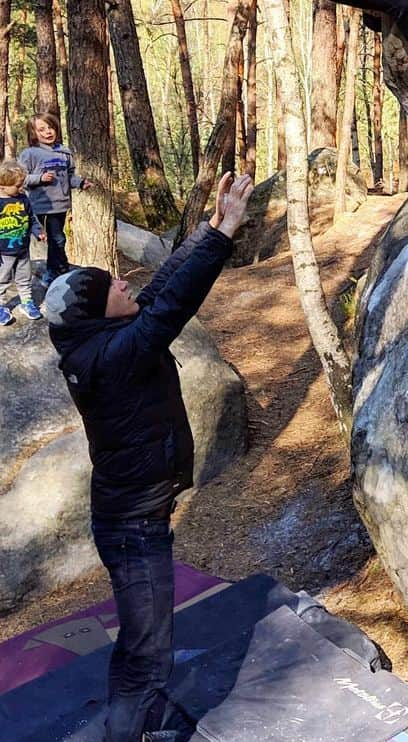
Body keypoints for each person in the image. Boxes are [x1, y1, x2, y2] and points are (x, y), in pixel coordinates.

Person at [44, 172, 255, 742]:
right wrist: (224, 236)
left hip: (135, 516)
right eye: (109, 284)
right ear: (94, 310)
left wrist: (209, 229)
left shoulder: (97, 340)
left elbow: (159, 287)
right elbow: (171, 307)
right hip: (132, 526)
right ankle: (126, 731)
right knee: (147, 651)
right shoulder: (112, 357)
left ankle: (136, 718)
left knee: (145, 643)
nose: (121, 282)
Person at [19, 111, 90, 285]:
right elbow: (19, 178)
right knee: (42, 239)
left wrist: (81, 183)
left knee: (58, 239)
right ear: (33, 133)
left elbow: (69, 176)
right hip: (38, 207)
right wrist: (39, 179)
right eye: (42, 129)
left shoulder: (64, 152)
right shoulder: (30, 154)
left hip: (60, 206)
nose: (48, 132)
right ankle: (29, 274)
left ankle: (56, 271)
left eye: (50, 127)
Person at [0, 160, 42, 326]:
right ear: (2, 185)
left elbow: (31, 218)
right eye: (17, 186)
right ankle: (1, 305)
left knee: (24, 278)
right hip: (3, 253)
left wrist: (38, 232)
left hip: (23, 249)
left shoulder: (23, 199)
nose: (21, 189)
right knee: (2, 280)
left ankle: (27, 302)